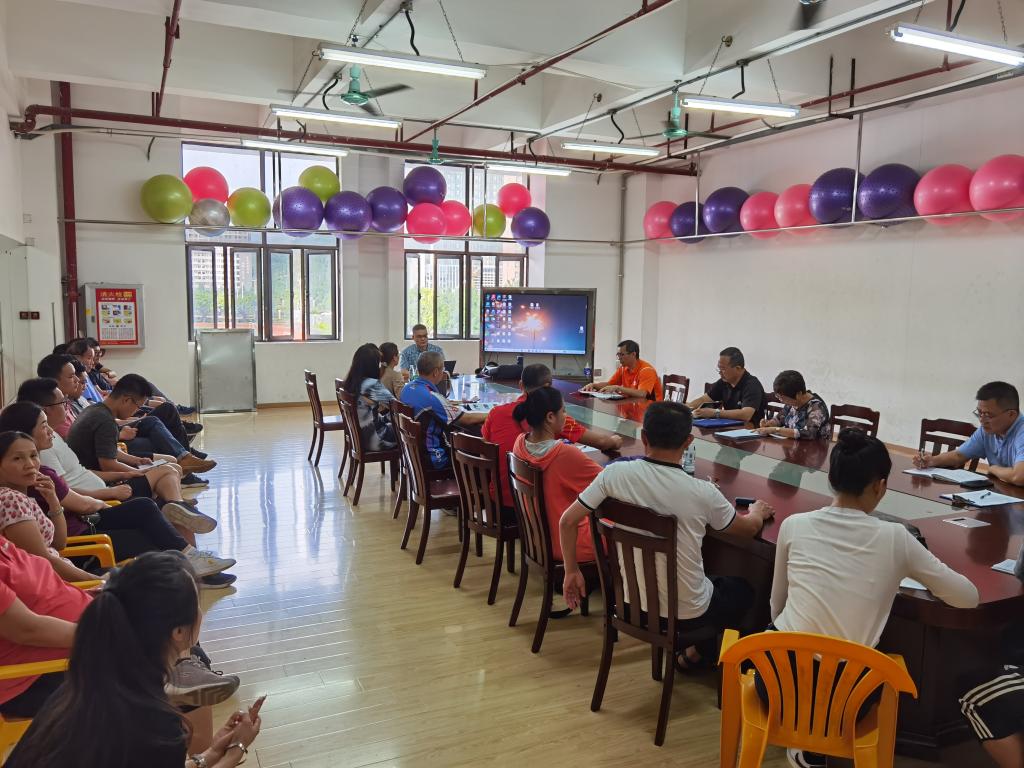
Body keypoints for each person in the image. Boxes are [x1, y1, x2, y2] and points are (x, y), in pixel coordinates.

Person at [769, 429, 979, 768]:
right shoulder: (896, 538)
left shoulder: (794, 525)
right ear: (880, 486)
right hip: (849, 697)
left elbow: (776, 606)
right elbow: (968, 597)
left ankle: (805, 741)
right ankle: (821, 742)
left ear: (830, 480)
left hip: (777, 682)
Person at [560, 401, 775, 668]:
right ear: (688, 442)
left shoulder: (613, 474)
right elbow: (748, 530)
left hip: (629, 603)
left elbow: (567, 521)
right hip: (687, 615)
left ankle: (698, 653)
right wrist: (757, 512)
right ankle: (701, 656)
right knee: (742, 590)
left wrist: (571, 571)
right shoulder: (702, 492)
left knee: (714, 582)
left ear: (643, 437)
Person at [6, 551, 262, 768]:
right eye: (198, 604)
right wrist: (236, 751)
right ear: (179, 632)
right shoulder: (156, 725)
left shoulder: (79, 689)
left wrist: (211, 754)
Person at [0, 402, 234, 579]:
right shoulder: (26, 486)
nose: (51, 430)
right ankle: (195, 564)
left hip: (88, 514)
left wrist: (56, 503)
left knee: (156, 506)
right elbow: (52, 548)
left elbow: (57, 536)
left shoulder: (42, 470)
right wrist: (109, 495)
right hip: (87, 530)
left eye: (32, 456)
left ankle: (193, 553)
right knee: (159, 525)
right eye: (44, 426)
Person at [65, 375, 220, 537]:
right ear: (126, 400)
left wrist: (136, 461)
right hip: (106, 482)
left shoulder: (96, 411)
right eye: (138, 406)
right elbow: (108, 464)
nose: (136, 411)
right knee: (169, 470)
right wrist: (136, 471)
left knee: (171, 468)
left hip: (96, 475)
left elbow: (108, 450)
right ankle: (177, 505)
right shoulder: (105, 421)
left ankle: (177, 505)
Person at [483, 364, 622, 505]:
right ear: (548, 387)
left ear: (521, 385)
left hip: (499, 502)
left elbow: (486, 452)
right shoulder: (553, 419)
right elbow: (602, 446)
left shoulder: (501, 419)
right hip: (536, 508)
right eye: (563, 410)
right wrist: (615, 441)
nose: (564, 414)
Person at [511, 387, 601, 564]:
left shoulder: (519, 443)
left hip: (537, 540)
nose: (566, 416)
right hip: (570, 544)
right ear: (550, 417)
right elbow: (609, 483)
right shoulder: (565, 454)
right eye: (564, 410)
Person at [915, 381, 1024, 487]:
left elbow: (1019, 477)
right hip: (1003, 491)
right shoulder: (987, 430)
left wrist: (993, 469)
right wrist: (932, 461)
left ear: (1011, 414)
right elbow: (959, 456)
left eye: (988, 415)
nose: (981, 420)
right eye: (979, 413)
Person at [399, 352, 485, 470]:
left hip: (414, 454)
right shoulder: (432, 398)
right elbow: (466, 419)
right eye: (443, 369)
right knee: (479, 456)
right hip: (436, 458)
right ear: (435, 372)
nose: (443, 372)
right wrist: (493, 413)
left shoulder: (407, 388)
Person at [687, 346, 766, 424]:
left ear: (738, 368)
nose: (720, 372)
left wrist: (715, 413)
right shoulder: (724, 381)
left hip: (749, 428)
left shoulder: (752, 385)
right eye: (719, 368)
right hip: (728, 426)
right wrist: (686, 409)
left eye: (723, 369)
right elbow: (704, 399)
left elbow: (746, 415)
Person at [341, 343, 396, 451]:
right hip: (374, 440)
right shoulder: (371, 384)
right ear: (373, 365)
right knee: (412, 431)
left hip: (358, 437)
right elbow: (396, 406)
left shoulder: (350, 381)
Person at [757, 370, 830, 440]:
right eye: (778, 397)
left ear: (799, 394)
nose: (781, 401)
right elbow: (779, 419)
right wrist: (767, 424)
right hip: (791, 445)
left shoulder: (816, 407)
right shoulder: (792, 402)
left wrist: (776, 430)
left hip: (813, 447)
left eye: (783, 398)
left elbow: (809, 434)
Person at [582, 339, 662, 400]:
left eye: (622, 355)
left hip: (651, 410)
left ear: (633, 354)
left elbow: (642, 394)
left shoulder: (646, 370)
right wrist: (593, 385)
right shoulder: (623, 368)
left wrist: (618, 388)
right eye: (618, 354)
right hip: (631, 405)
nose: (619, 358)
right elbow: (610, 384)